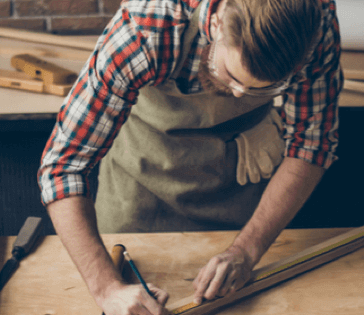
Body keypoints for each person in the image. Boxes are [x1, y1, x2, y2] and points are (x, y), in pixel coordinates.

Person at [37, 0, 342, 313]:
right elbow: (63, 167)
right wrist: (107, 288)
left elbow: (312, 143)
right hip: (138, 201)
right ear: (218, 24)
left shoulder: (315, 26)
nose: (239, 94)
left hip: (240, 203)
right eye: (231, 75)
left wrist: (248, 250)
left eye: (260, 90)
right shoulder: (147, 30)